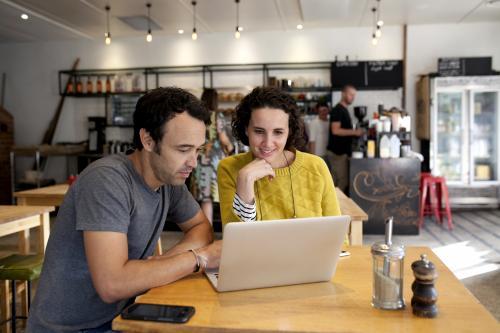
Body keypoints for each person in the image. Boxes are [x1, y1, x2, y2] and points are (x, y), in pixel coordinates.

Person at [27, 87, 221, 333]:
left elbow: (201, 229)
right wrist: (197, 259)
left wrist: (163, 262)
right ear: (148, 140)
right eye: (183, 150)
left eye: (198, 150)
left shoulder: (168, 180)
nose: (193, 162)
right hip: (73, 328)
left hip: (122, 315)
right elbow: (113, 285)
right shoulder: (107, 180)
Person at [217, 87, 341, 227]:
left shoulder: (316, 166)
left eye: (278, 132)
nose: (268, 143)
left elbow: (338, 235)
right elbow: (236, 241)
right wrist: (244, 183)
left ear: (289, 131)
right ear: (246, 129)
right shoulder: (229, 168)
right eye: (259, 131)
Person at [192, 88, 235, 224]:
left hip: (199, 159)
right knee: (215, 197)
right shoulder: (216, 117)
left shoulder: (196, 117)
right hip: (213, 161)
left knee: (205, 198)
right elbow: (223, 139)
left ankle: (205, 230)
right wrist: (231, 148)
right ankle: (215, 230)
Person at [326, 85, 363, 194]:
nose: (353, 97)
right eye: (351, 94)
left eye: (354, 95)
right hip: (337, 153)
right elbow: (335, 130)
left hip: (341, 152)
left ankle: (332, 207)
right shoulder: (338, 110)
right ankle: (334, 208)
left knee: (336, 181)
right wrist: (355, 132)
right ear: (343, 94)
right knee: (341, 182)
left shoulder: (344, 110)